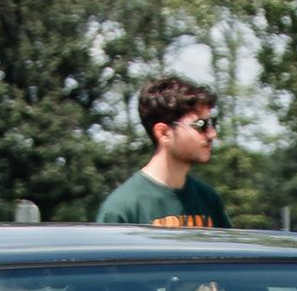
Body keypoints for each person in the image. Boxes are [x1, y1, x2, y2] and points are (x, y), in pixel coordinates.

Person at [97, 76, 231, 230]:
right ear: (163, 133)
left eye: (212, 123)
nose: (212, 133)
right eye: (201, 125)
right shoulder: (122, 209)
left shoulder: (209, 200)